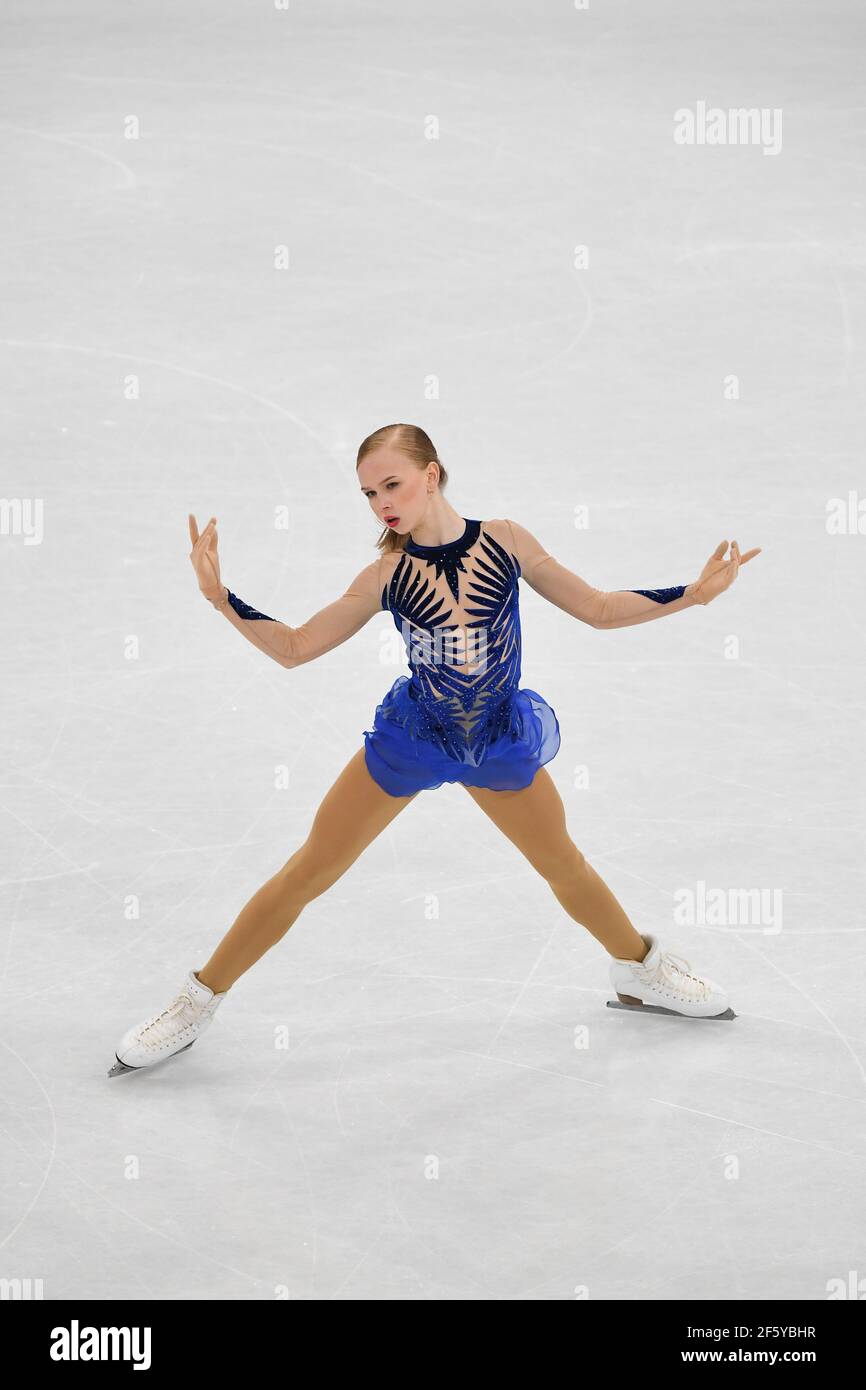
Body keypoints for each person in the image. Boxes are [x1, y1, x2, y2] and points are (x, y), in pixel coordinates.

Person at [108, 424, 761, 1075]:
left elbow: (595, 607)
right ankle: (197, 1000)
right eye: (368, 493)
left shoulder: (505, 540)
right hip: (415, 738)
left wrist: (694, 594)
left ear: (432, 474)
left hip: (497, 739)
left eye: (391, 484)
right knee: (310, 869)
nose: (382, 503)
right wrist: (221, 599)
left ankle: (638, 971)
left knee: (565, 864)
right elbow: (297, 647)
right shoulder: (387, 573)